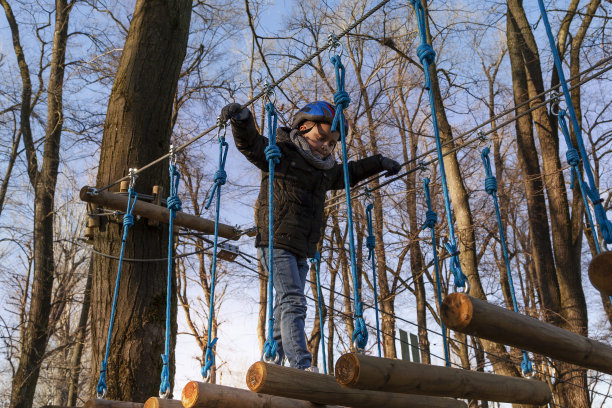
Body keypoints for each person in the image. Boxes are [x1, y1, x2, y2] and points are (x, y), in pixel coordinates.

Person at [221, 101, 400, 371]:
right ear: (304, 128)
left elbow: (348, 173)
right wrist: (242, 119)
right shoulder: (280, 153)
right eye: (321, 138)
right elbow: (252, 145)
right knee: (293, 300)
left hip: (303, 246)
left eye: (332, 143)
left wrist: (378, 163)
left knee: (285, 303)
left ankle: (273, 360)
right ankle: (301, 364)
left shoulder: (325, 171)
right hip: (276, 240)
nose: (326, 146)